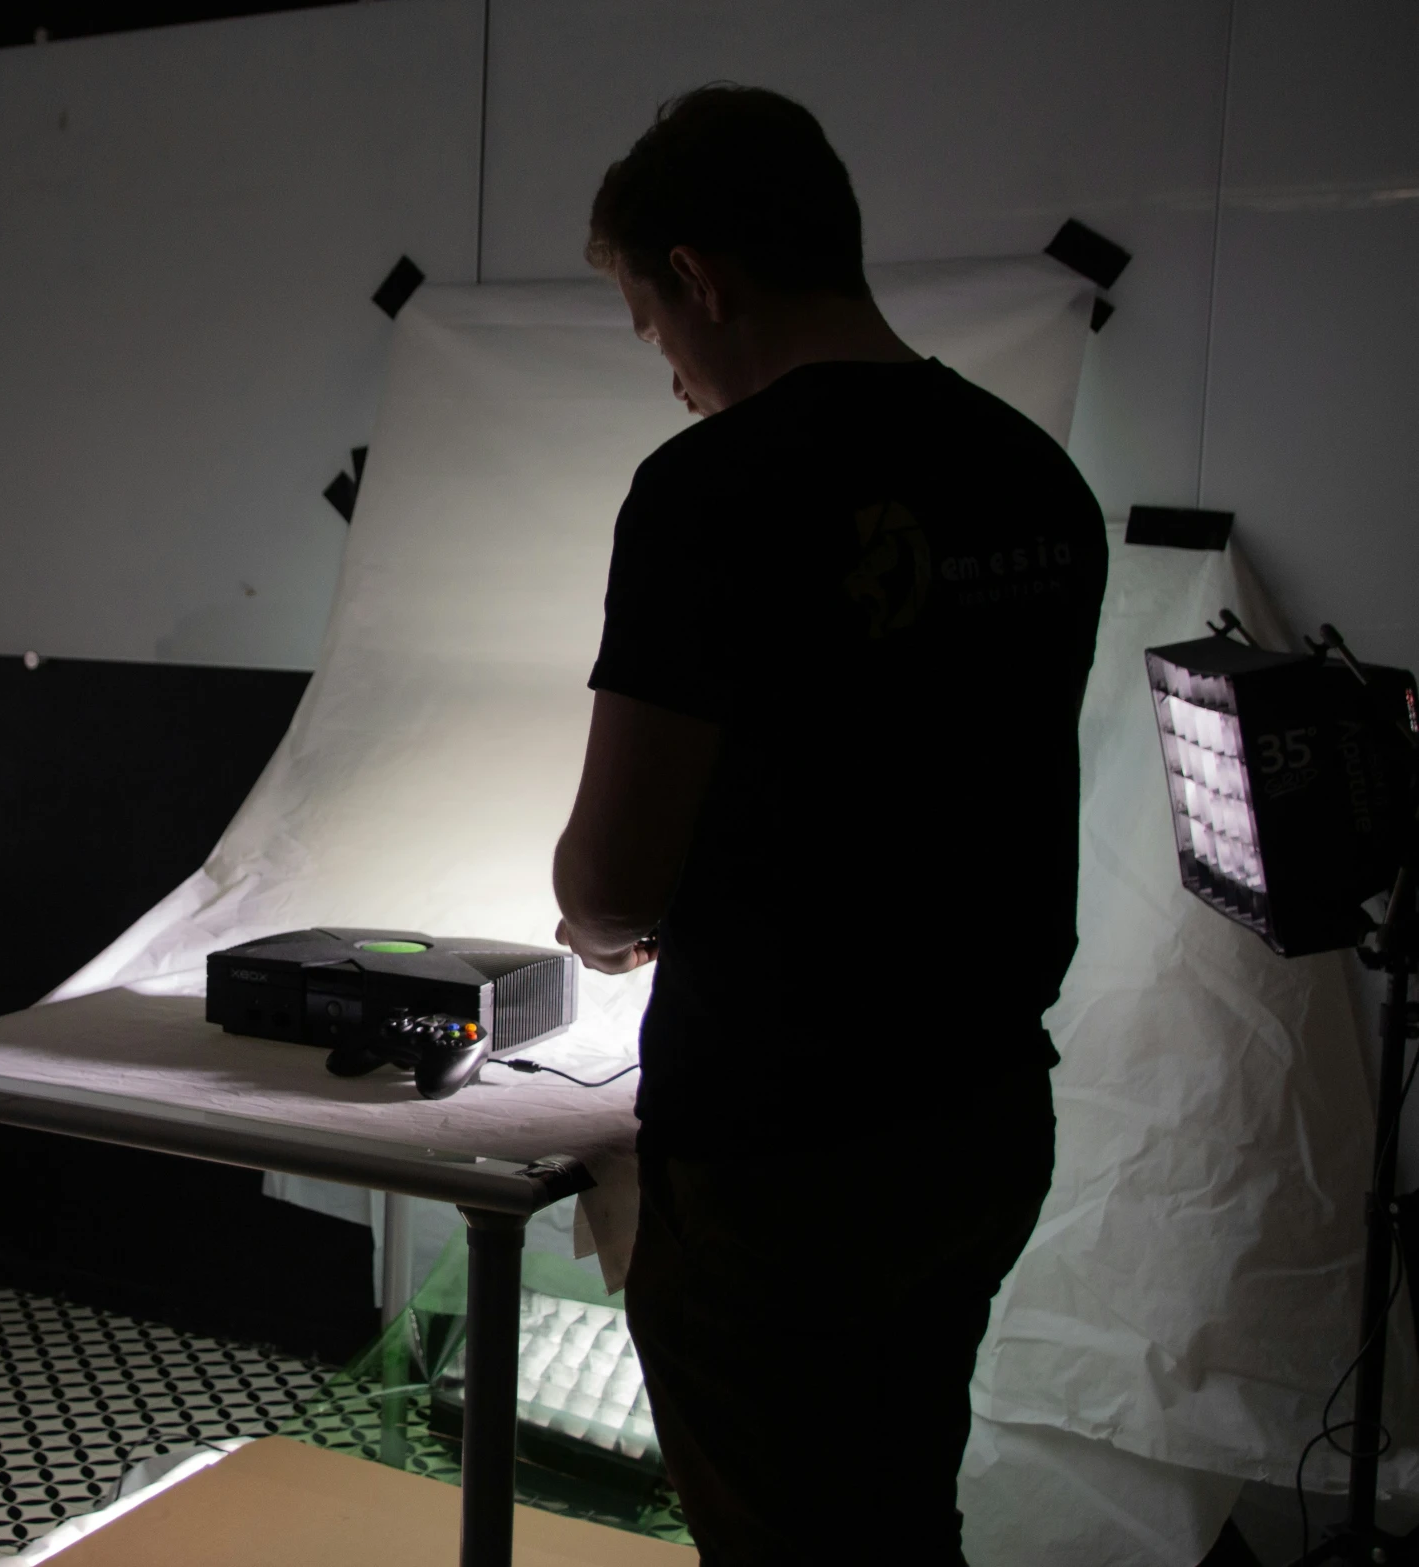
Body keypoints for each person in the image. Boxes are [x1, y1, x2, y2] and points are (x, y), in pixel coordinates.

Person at [550, 86, 1107, 1563]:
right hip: (977, 1116)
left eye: (645, 318)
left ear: (698, 277)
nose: (658, 362)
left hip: (781, 1158)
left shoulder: (708, 493)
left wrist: (598, 924)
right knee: (892, 1506)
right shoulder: (1032, 477)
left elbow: (607, 878)